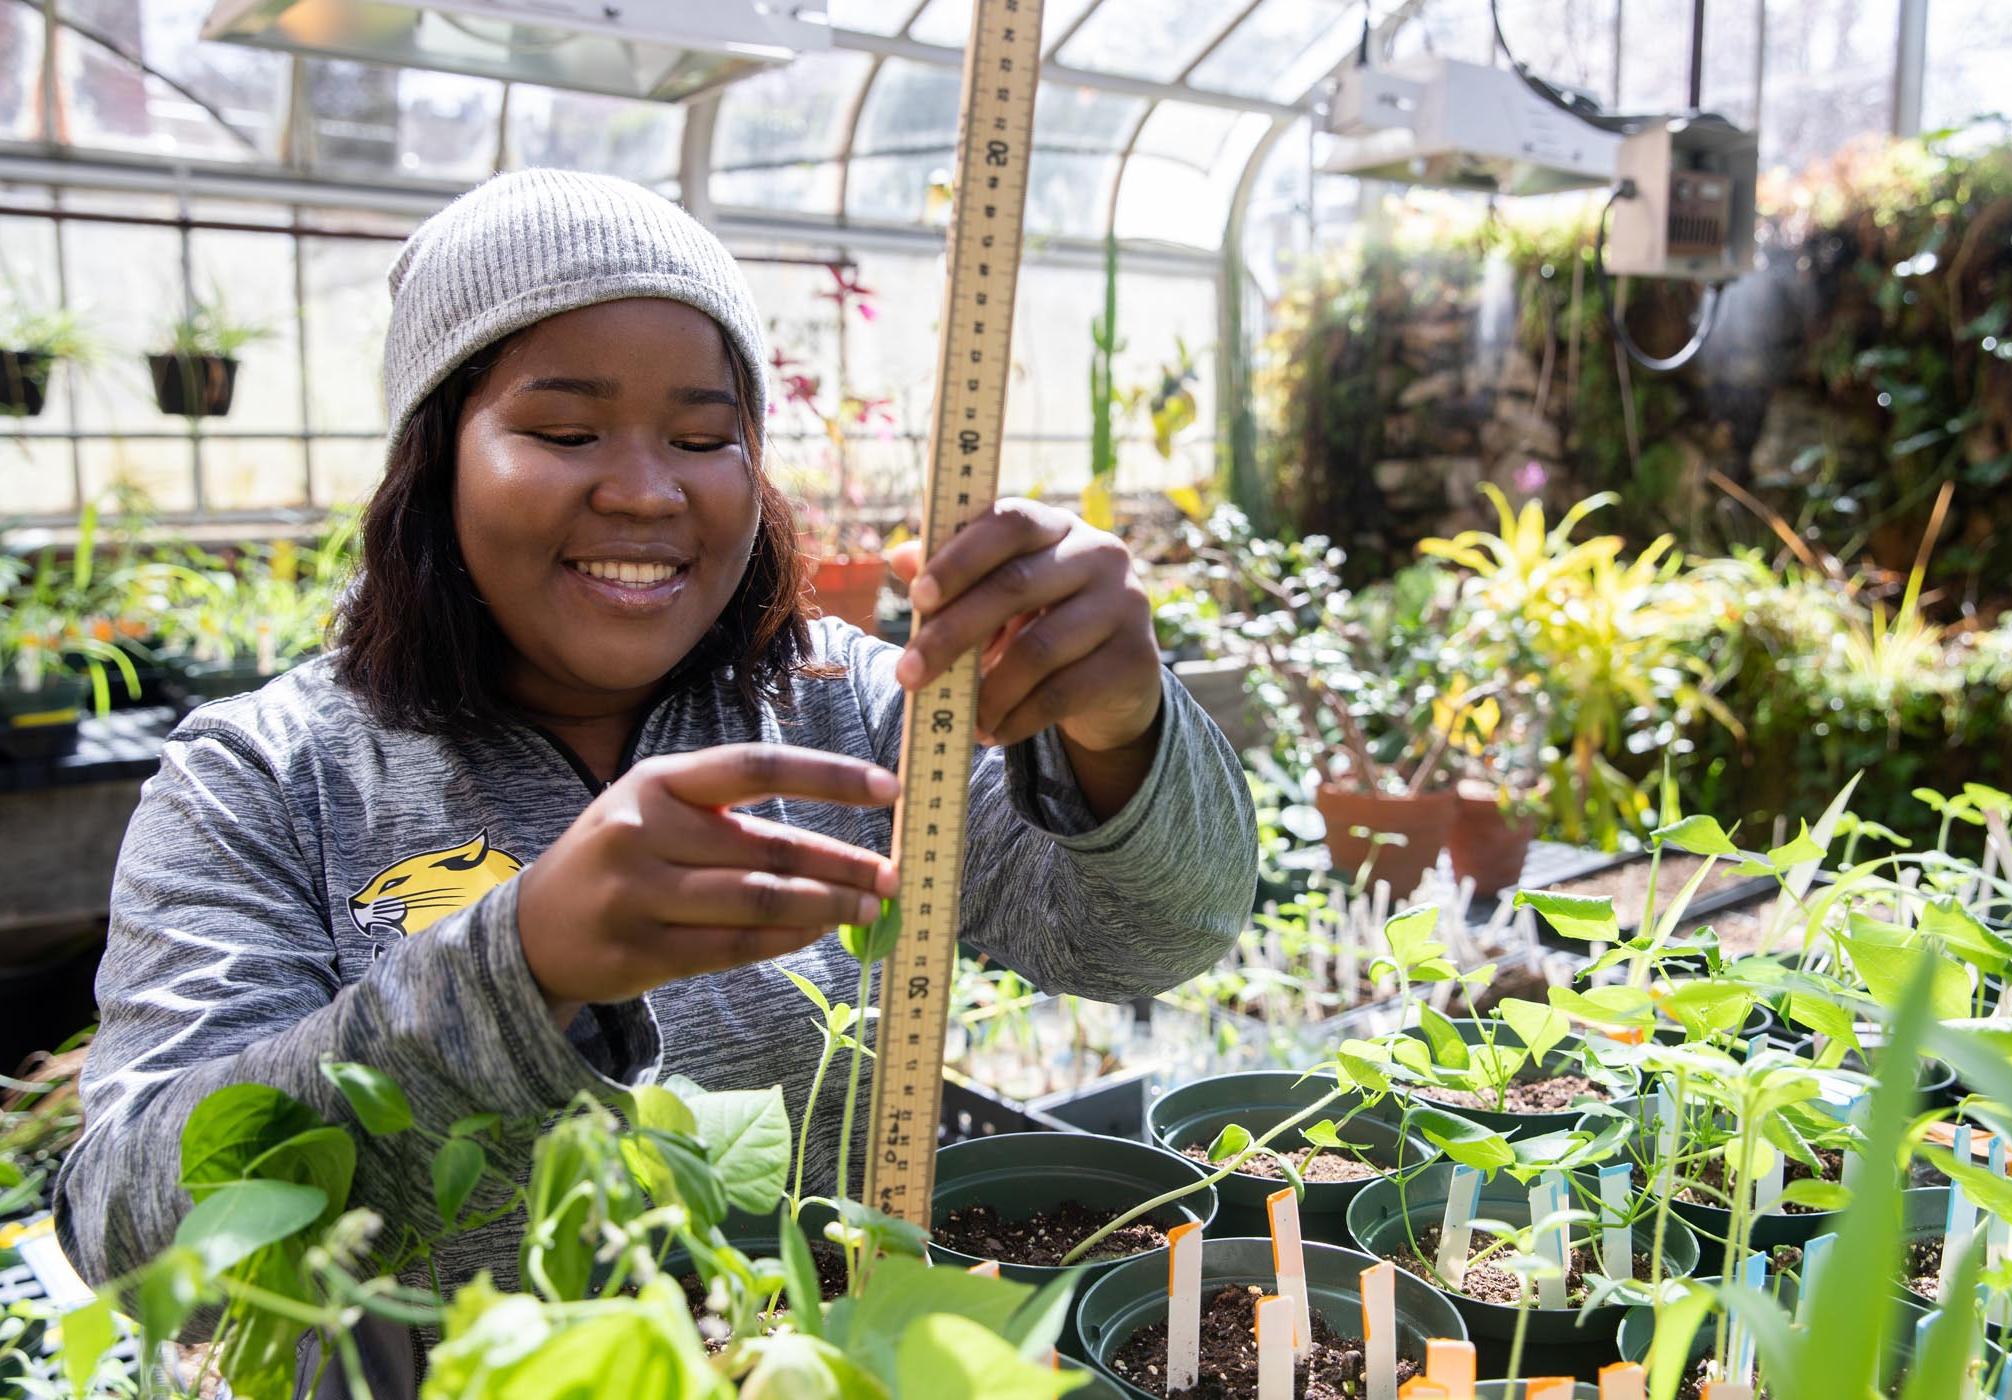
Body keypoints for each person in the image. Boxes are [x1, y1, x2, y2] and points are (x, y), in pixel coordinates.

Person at [53, 169, 1256, 1387]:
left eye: (703, 435)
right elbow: (130, 1229)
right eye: (565, 431)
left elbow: (1149, 937)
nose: (646, 488)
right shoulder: (266, 775)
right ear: (437, 457)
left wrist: (1121, 725)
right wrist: (512, 970)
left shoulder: (850, 704)